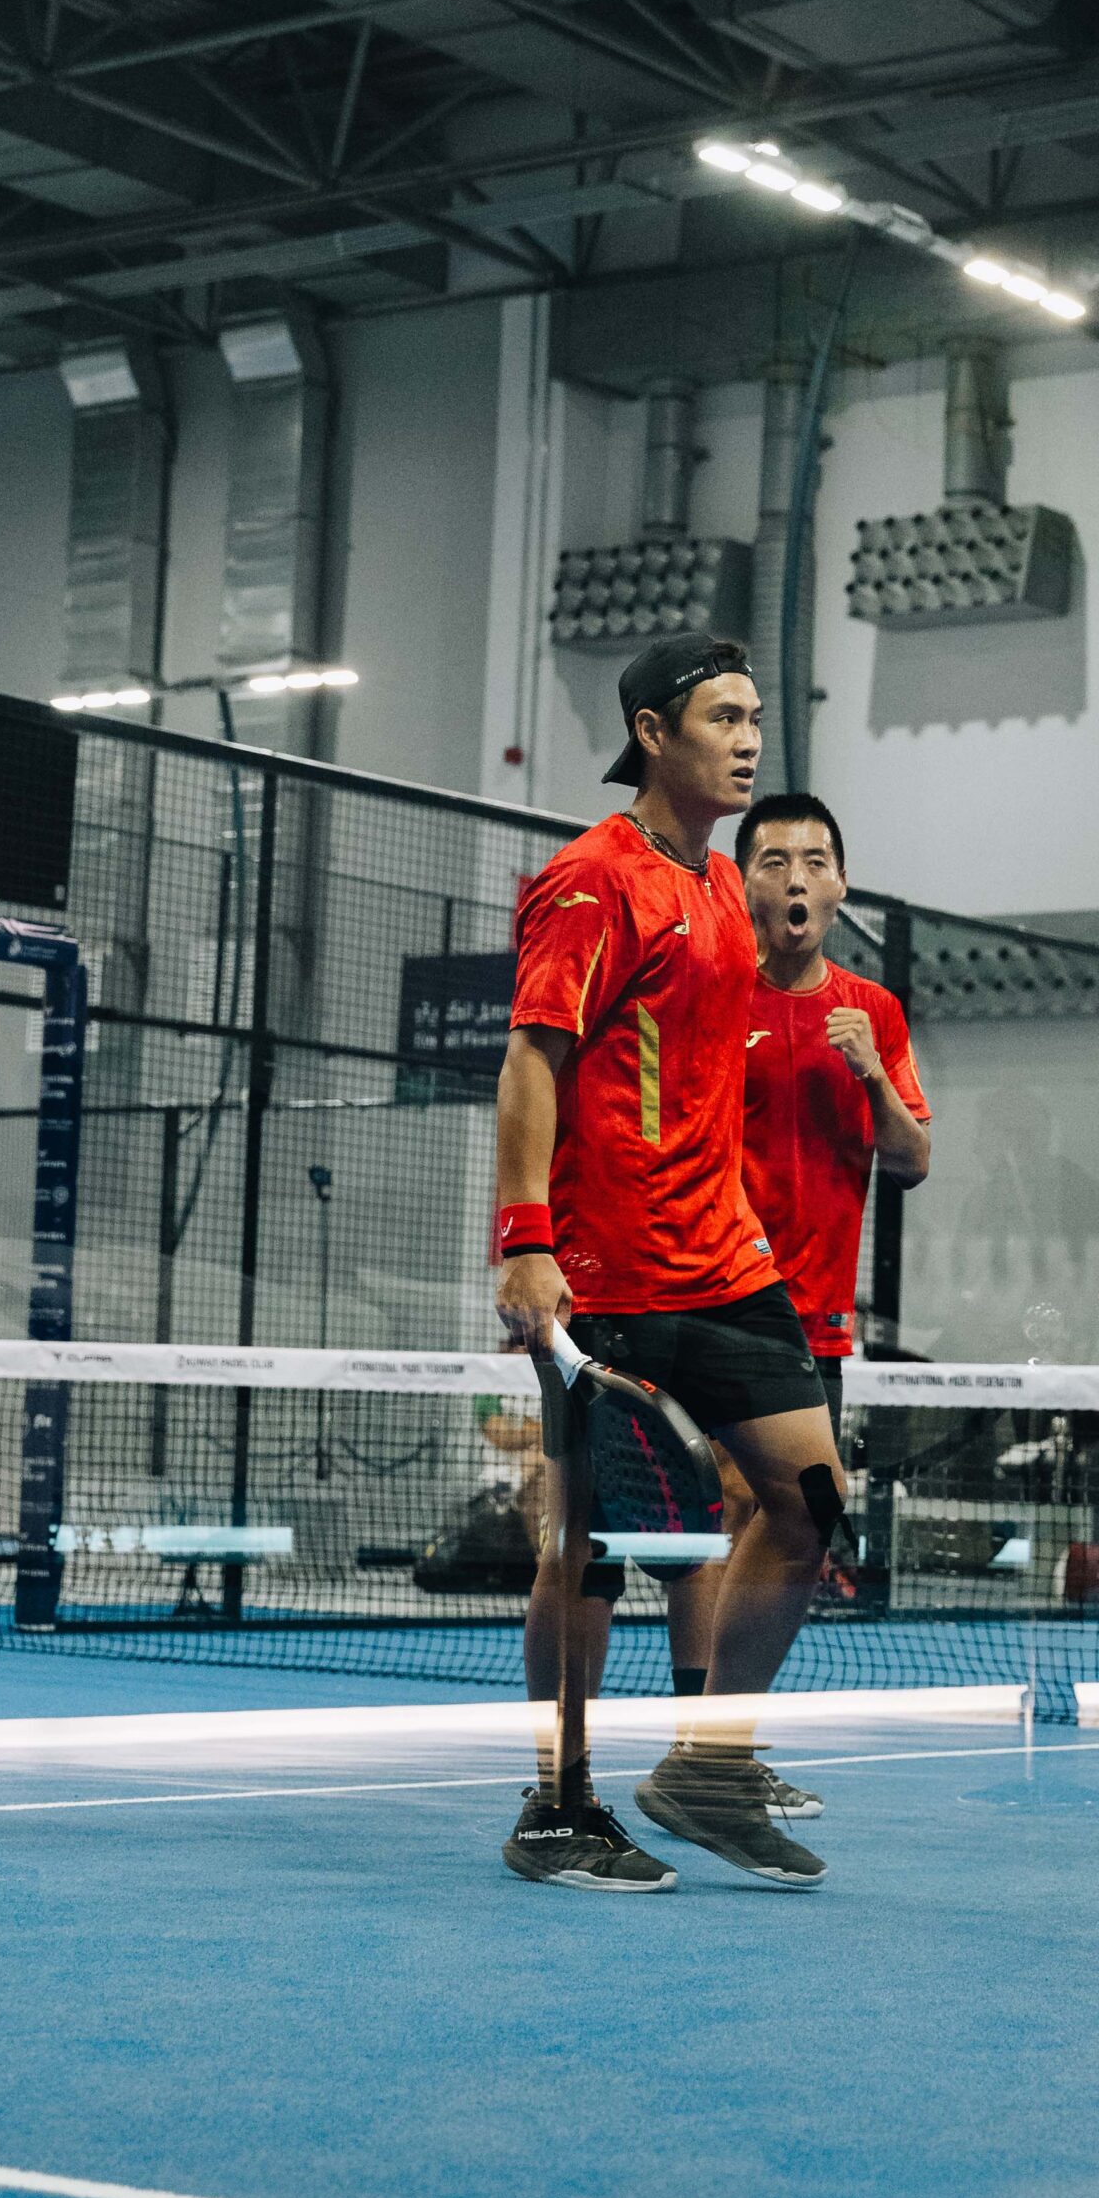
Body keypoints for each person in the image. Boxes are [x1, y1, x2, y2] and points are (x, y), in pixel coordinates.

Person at [492, 634, 850, 1893]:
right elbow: (531, 1059)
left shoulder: (722, 892)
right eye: (721, 718)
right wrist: (525, 1241)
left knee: (808, 1503)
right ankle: (556, 1805)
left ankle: (708, 1765)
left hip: (727, 1263)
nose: (747, 740)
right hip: (607, 1272)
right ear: (652, 733)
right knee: (588, 1545)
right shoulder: (591, 882)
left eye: (755, 717)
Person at [725, 794, 931, 1624]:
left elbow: (913, 1161)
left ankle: (729, 1698)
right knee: (731, 1510)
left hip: (818, 1325)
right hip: (720, 1304)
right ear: (743, 882)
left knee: (806, 1521)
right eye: (774, 862)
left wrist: (872, 1073)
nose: (796, 879)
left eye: (815, 862)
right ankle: (708, 1701)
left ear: (840, 885)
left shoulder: (874, 1013)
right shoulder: (714, 997)